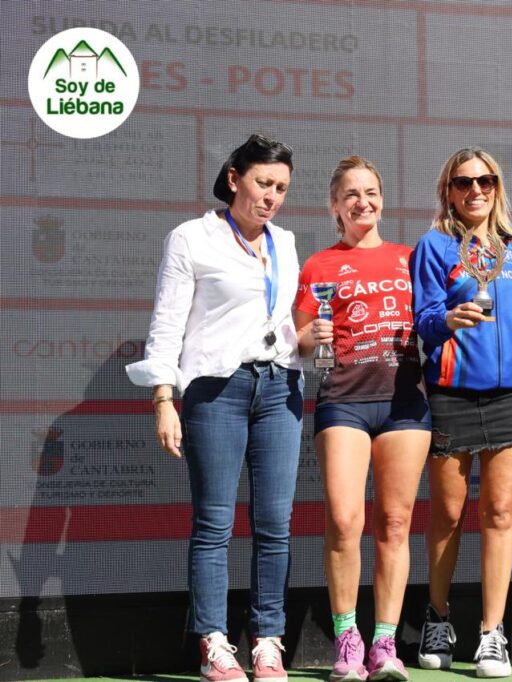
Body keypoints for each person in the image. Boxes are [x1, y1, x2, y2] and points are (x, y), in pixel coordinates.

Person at [126, 134, 302, 682]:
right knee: (214, 524)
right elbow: (167, 324)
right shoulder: (192, 238)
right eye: (263, 183)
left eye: (281, 188)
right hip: (215, 391)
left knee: (274, 524)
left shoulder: (285, 242)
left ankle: (268, 640)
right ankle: (213, 642)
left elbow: (279, 322)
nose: (271, 197)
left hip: (280, 388)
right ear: (234, 178)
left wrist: (308, 341)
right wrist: (163, 398)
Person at [294, 156, 430, 682]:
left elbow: (439, 318)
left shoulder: (409, 259)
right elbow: (298, 343)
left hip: (405, 404)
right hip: (344, 401)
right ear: (335, 205)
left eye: (370, 192)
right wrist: (312, 337)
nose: (362, 202)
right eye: (351, 194)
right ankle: (347, 638)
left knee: (394, 523)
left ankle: (385, 644)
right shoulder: (319, 265)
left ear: (382, 199)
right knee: (346, 520)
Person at [411, 147, 512, 678]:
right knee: (448, 514)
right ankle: (437, 618)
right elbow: (422, 318)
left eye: (486, 181)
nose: (476, 190)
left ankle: (492, 632)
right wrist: (448, 319)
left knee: (501, 514)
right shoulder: (435, 244)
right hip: (454, 394)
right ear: (449, 191)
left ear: (497, 187)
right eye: (464, 182)